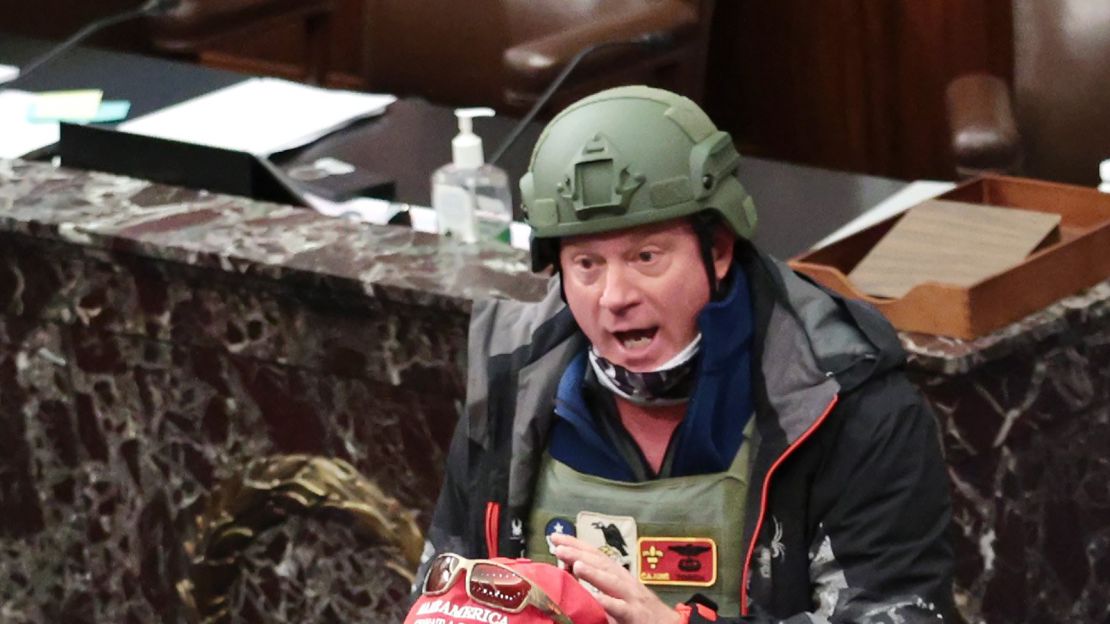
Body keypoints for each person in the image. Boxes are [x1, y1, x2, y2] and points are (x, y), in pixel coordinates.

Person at [422, 86, 954, 623]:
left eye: (645, 256)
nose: (614, 297)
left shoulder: (847, 398)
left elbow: (897, 612)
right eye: (586, 265)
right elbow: (444, 589)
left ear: (718, 250)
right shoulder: (512, 386)